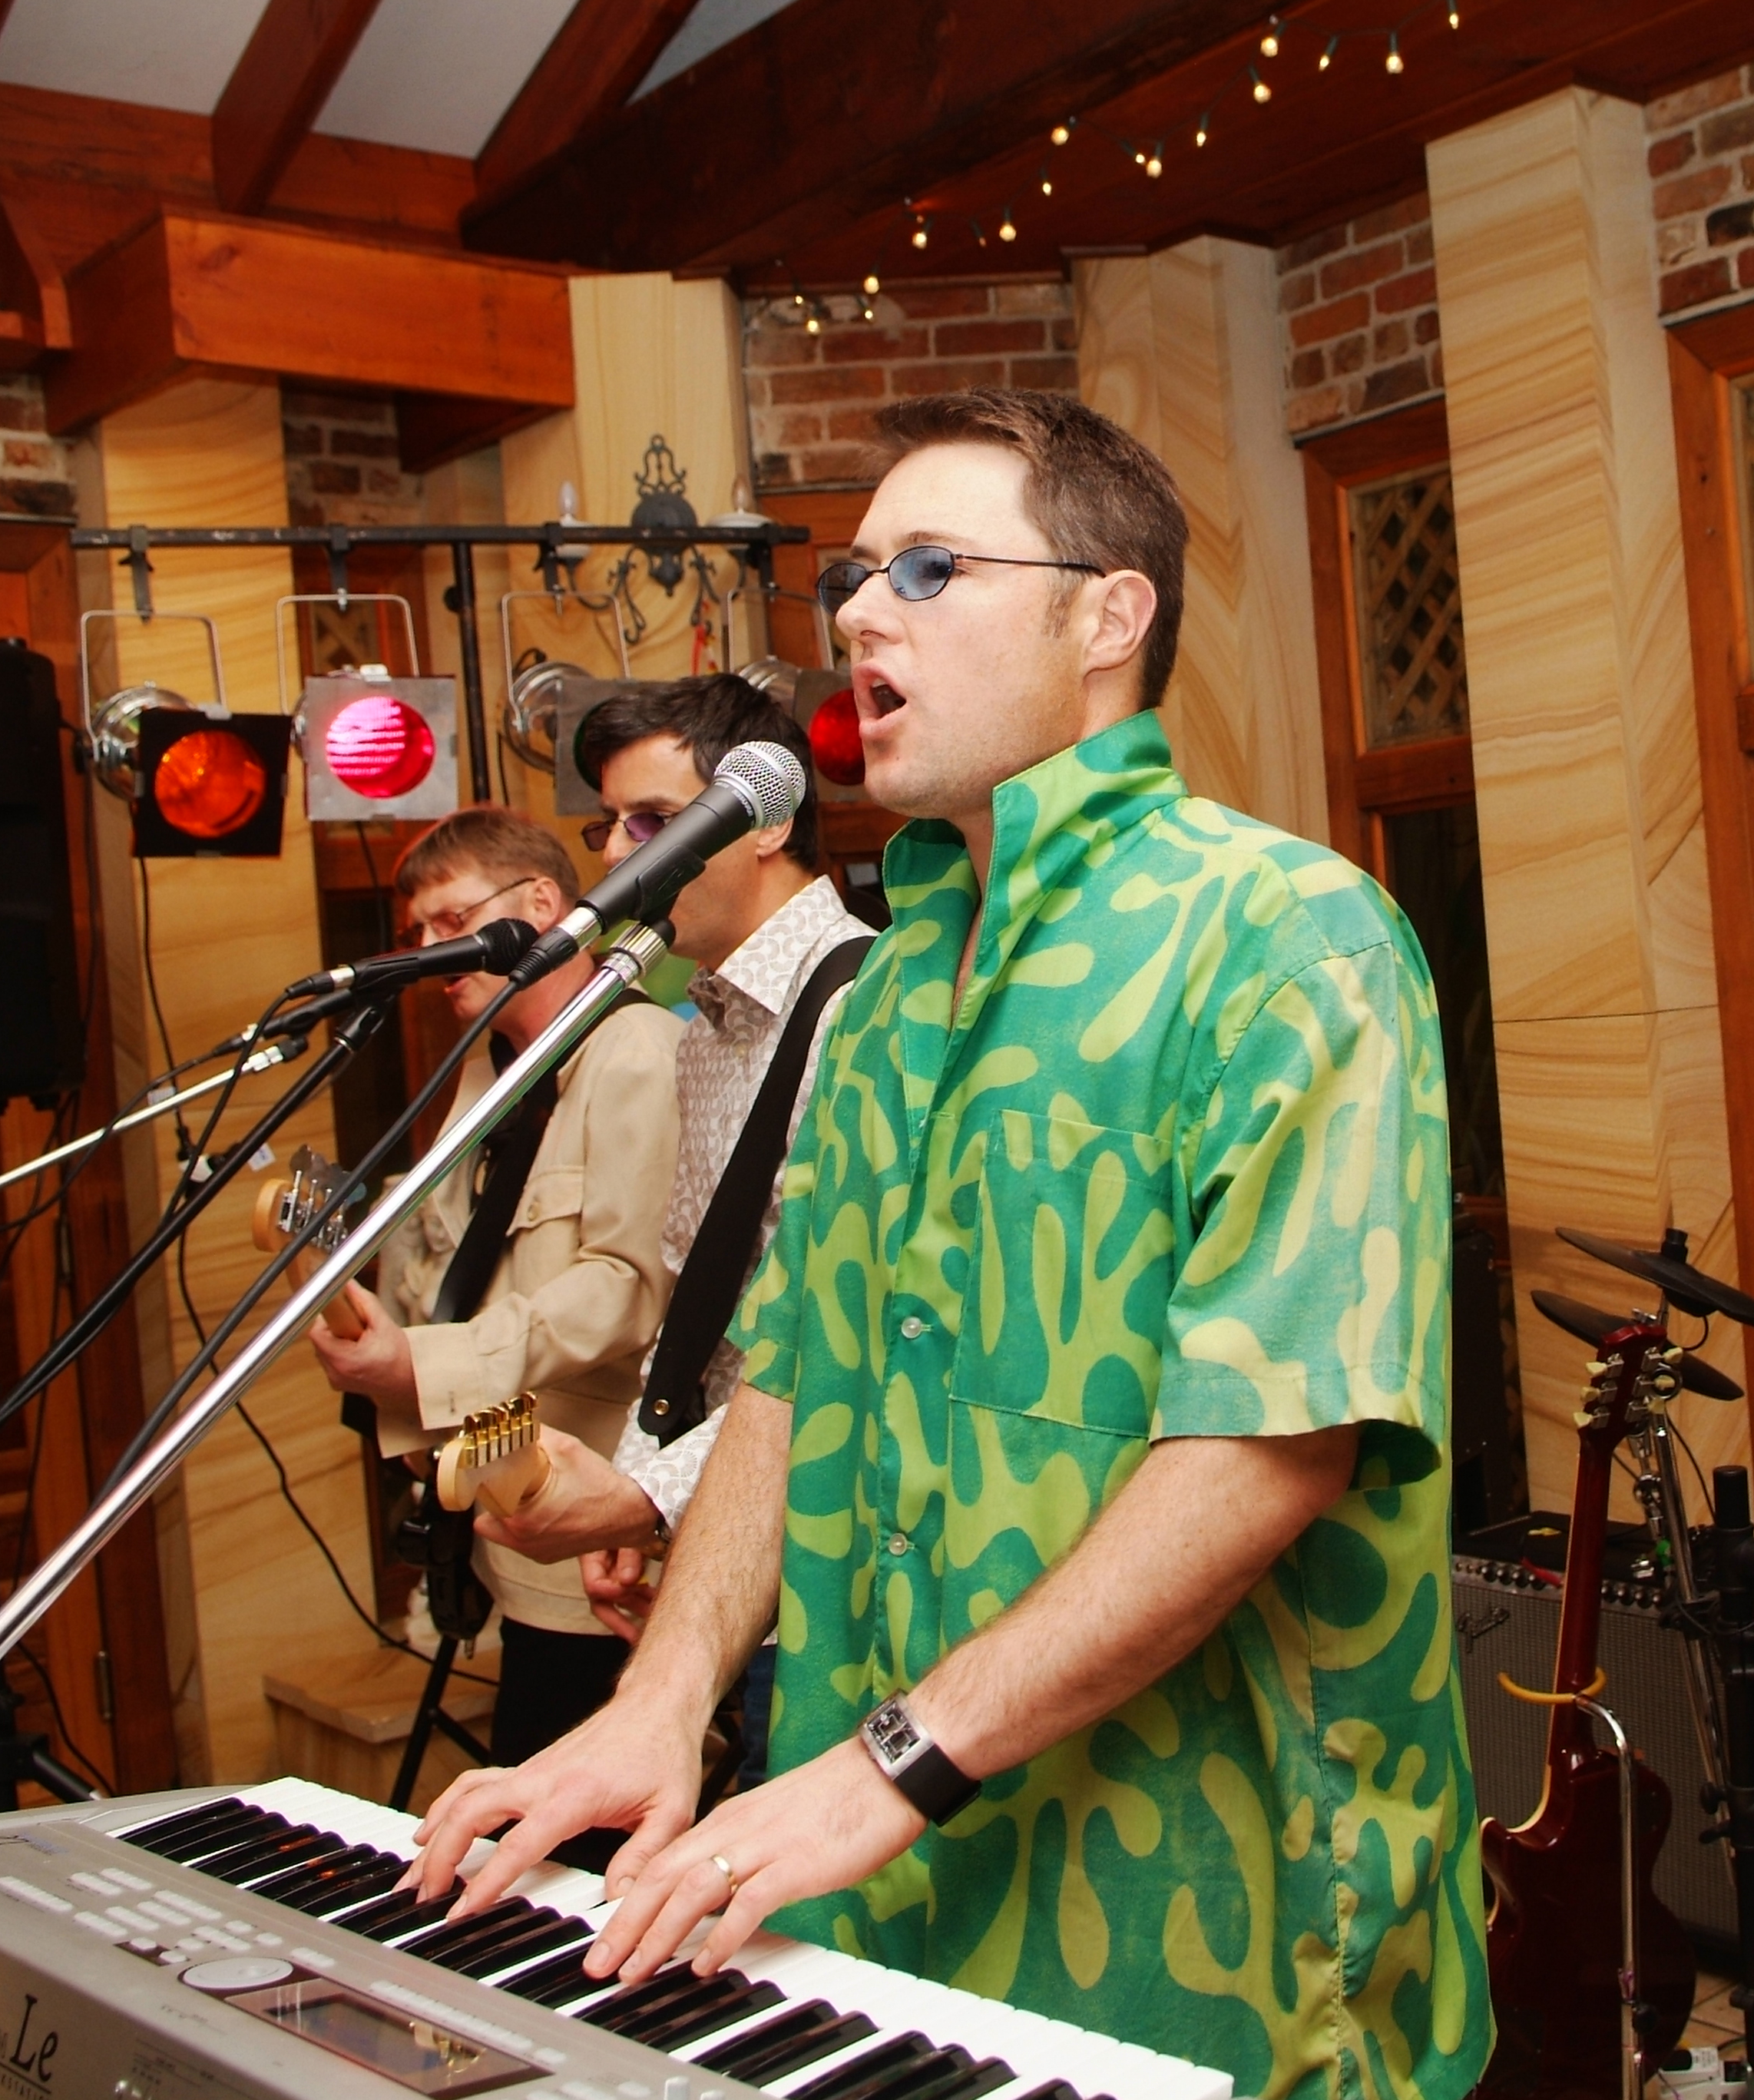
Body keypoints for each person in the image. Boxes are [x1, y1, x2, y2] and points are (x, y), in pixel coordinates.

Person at [411, 389, 1488, 2100]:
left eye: (928, 567)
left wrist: (886, 1765)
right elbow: (788, 1377)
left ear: (1108, 617)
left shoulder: (1287, 937)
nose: (860, 614)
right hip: (884, 1892)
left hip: (1210, 1917)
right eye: (853, 574)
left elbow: (1269, 1448)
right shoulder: (893, 984)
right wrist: (664, 1698)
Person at [469, 674, 880, 1782]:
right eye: (609, 827)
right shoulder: (703, 1027)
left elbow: (846, 1334)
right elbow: (700, 1307)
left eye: (655, 823)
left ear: (769, 820)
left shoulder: (861, 1008)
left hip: (835, 1578)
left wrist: (649, 1491)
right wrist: (648, 1489)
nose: (618, 856)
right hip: (737, 1561)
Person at [309, 807, 680, 1764]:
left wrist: (423, 1365)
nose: (434, 953)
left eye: (454, 921)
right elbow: (457, 1255)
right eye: (419, 933)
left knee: (556, 1808)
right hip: (502, 1516)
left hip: (592, 1528)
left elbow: (623, 1288)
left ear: (542, 904)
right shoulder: (491, 1065)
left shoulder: (635, 1048)